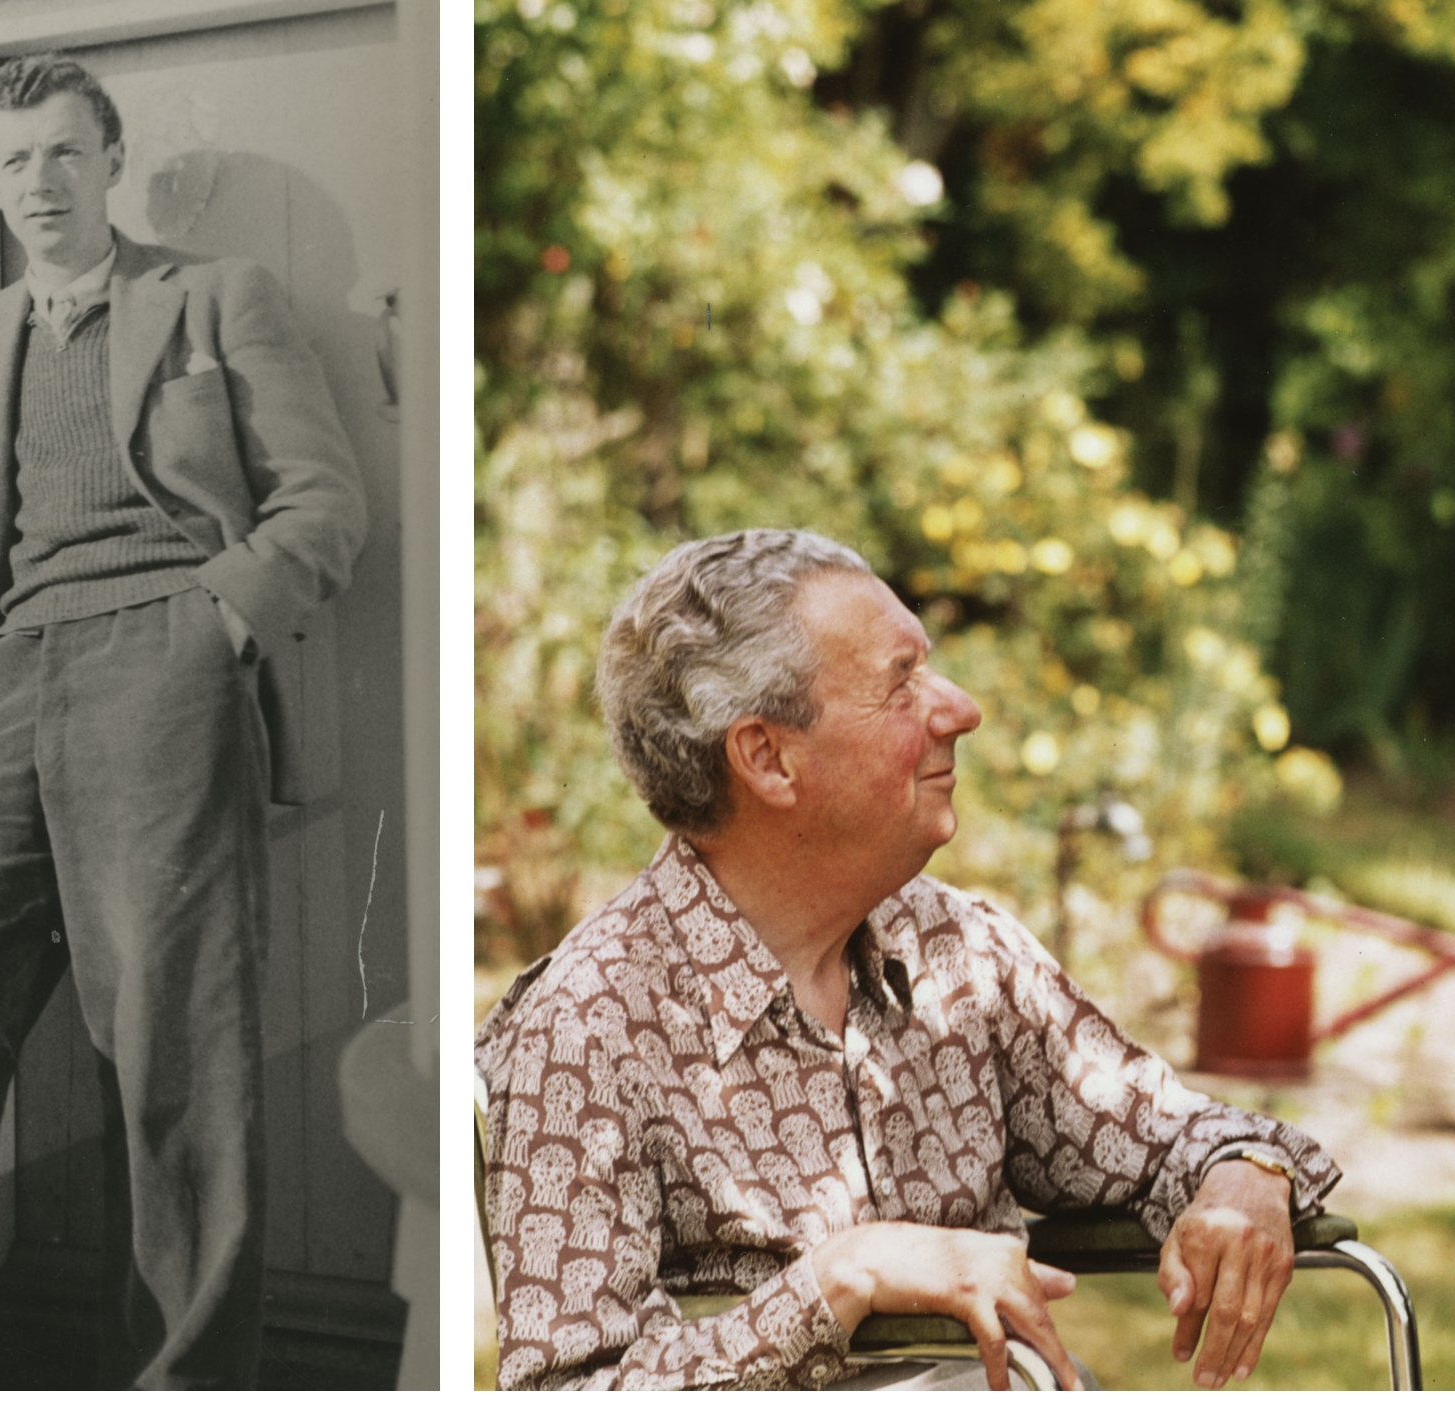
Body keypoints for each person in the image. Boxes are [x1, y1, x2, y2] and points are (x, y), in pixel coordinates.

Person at [479, 529, 1338, 1391]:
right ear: (768, 757)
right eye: (901, 682)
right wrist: (846, 1276)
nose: (960, 707)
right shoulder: (589, 1024)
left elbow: (1161, 1129)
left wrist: (1245, 1175)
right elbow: (568, 1391)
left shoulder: (957, 952)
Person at [0, 53, 367, 1387]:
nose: (37, 184)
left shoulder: (214, 297)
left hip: (162, 661)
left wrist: (212, 627)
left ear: (111, 162)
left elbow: (324, 502)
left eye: (63, 153)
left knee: (170, 1044)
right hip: (9, 683)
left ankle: (178, 1383)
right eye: (12, 163)